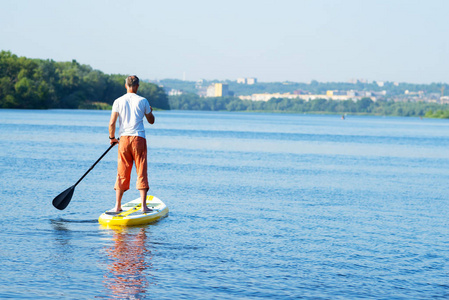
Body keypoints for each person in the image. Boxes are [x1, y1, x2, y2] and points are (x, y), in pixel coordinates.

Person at [108, 75, 155, 213]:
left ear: (125, 85)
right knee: (141, 170)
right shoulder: (143, 101)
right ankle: (144, 207)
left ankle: (117, 206)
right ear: (137, 86)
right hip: (138, 139)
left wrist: (112, 138)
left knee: (122, 172)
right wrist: (150, 111)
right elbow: (151, 121)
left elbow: (112, 123)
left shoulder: (118, 101)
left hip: (123, 139)